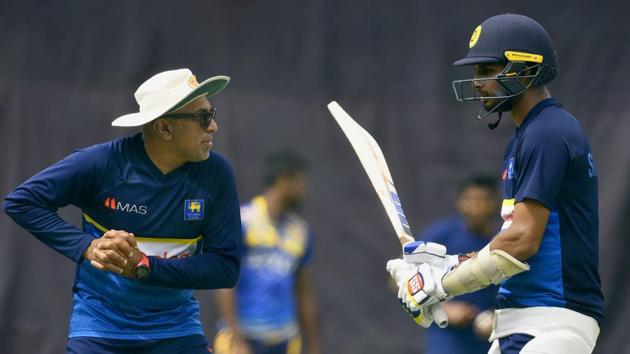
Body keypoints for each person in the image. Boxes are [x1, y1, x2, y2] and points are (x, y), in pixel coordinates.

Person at [387, 14, 604, 354]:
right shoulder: (527, 136)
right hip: (521, 322)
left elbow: (521, 241)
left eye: (487, 71)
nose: (477, 82)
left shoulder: (548, 131)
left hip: (553, 320)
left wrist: (442, 285)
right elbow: (515, 239)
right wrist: (446, 264)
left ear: (526, 70)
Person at [3, 68, 242, 354]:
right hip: (100, 330)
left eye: (212, 114)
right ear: (164, 128)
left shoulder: (217, 173)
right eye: (203, 118)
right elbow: (21, 201)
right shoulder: (101, 163)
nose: (213, 126)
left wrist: (144, 267)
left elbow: (225, 269)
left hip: (177, 329)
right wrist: (87, 247)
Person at [214, 152, 320, 354]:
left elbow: (304, 293)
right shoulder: (244, 221)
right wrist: (236, 339)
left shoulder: (300, 231)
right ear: (284, 180)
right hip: (244, 338)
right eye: (301, 181)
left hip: (284, 339)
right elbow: (225, 283)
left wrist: (314, 347)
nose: (305, 190)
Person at [419, 175, 499, 354]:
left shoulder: (502, 243)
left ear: (495, 204)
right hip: (447, 338)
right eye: (471, 200)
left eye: (484, 200)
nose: (477, 207)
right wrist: (443, 308)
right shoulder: (439, 236)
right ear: (460, 202)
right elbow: (401, 280)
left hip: (488, 340)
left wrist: (496, 317)